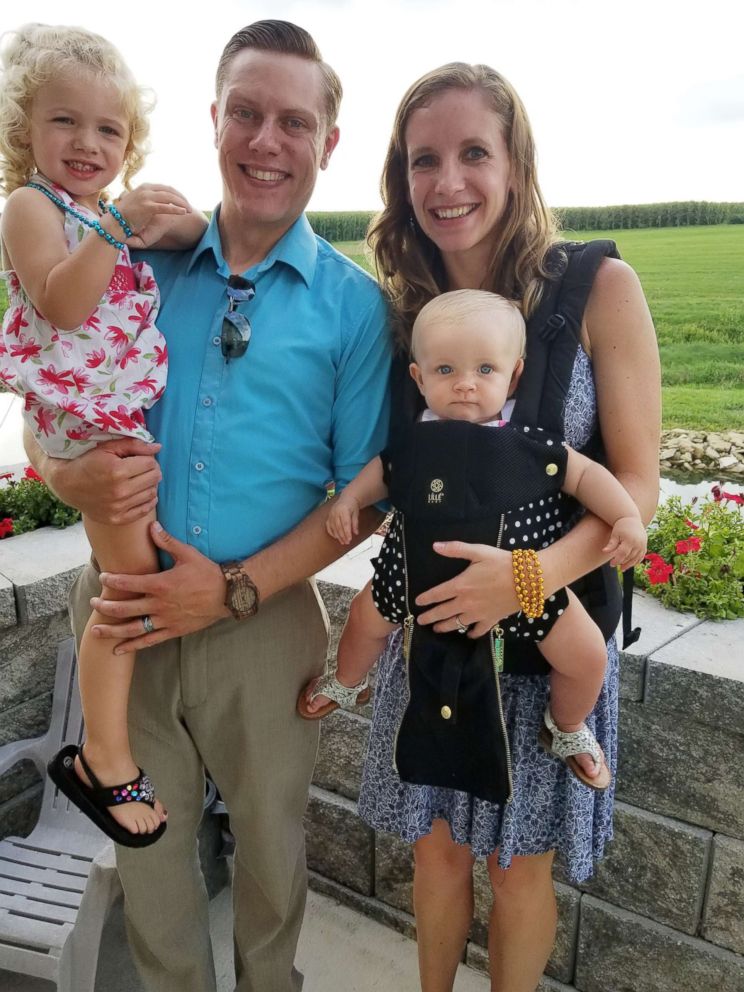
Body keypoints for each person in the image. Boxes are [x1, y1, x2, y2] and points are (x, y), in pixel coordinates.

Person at [23, 20, 390, 992]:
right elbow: (58, 400)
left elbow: (367, 496)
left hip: (265, 627)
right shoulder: (136, 255)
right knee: (145, 857)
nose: (268, 141)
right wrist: (66, 478)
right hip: (122, 616)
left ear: (327, 142)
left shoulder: (355, 307)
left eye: (294, 122)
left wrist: (227, 590)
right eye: (248, 112)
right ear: (215, 119)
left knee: (272, 854)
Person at [356, 64, 660, 992]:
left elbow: (637, 489)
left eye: (473, 153)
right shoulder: (403, 312)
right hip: (435, 640)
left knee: (518, 864)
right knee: (437, 853)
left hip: (548, 644)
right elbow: (386, 482)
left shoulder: (599, 288)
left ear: (516, 165)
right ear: (402, 181)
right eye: (424, 161)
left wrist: (521, 583)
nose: (448, 183)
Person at [299, 288, 647, 791]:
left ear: (515, 375)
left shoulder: (528, 443)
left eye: (485, 370)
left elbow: (587, 478)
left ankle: (567, 726)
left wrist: (626, 518)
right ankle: (349, 681)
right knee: (363, 619)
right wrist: (349, 501)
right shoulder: (414, 439)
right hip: (414, 570)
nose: (465, 385)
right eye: (445, 371)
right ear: (418, 378)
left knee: (587, 654)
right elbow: (383, 472)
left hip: (524, 581)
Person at [0, 23, 208, 846]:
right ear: (25, 129)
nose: (87, 142)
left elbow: (192, 241)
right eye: (64, 121)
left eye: (108, 129)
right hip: (88, 421)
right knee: (123, 601)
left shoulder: (96, 212)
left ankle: (116, 746)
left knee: (129, 580)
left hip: (112, 416)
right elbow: (60, 301)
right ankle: (103, 759)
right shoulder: (31, 205)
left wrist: (180, 224)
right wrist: (117, 225)